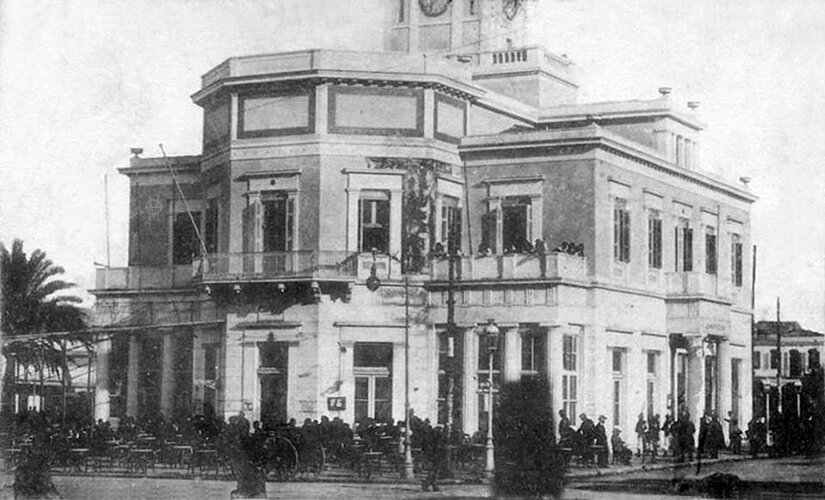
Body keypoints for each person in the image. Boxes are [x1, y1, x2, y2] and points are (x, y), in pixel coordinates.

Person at [421, 425, 446, 492]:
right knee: (433, 471)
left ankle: (434, 485)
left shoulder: (431, 437)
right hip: (434, 455)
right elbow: (438, 447)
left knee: (435, 471)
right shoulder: (436, 438)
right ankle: (426, 484)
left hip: (434, 455)